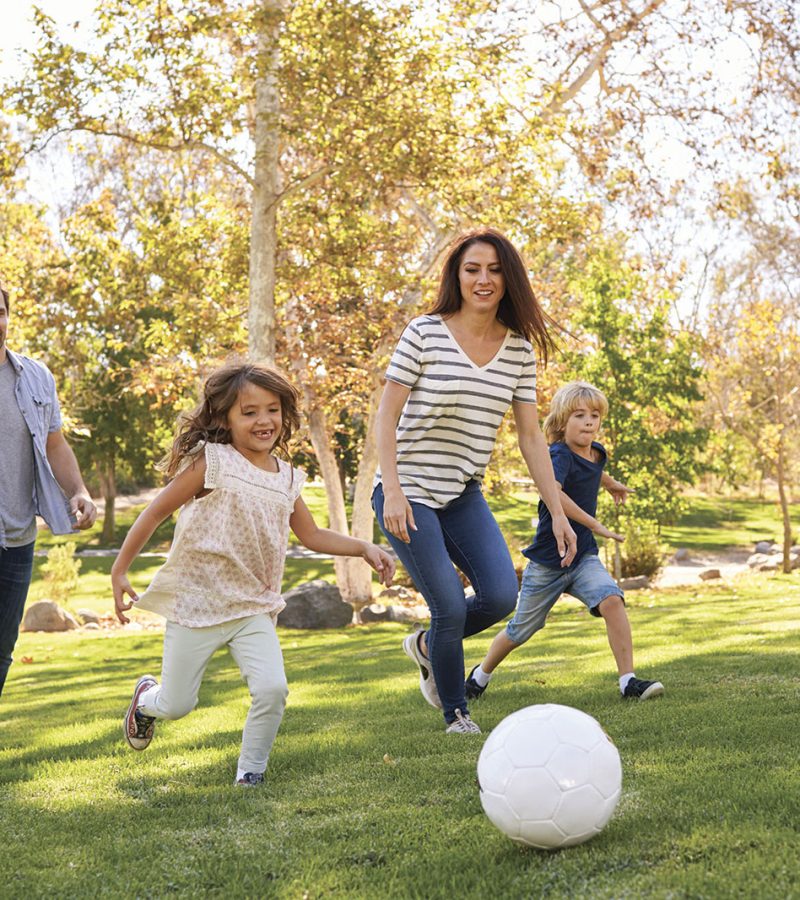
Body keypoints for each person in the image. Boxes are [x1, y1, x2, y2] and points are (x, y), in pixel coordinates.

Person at [112, 363, 395, 786]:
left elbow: (312, 534)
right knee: (176, 705)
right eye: (249, 412)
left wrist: (363, 547)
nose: (264, 421)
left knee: (272, 690)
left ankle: (251, 772)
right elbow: (156, 511)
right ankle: (146, 702)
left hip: (253, 606)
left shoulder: (288, 479)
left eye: (272, 410)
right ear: (225, 417)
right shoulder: (212, 462)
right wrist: (120, 569)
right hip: (199, 603)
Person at [373, 228, 578, 735]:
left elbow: (531, 438)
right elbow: (384, 418)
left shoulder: (518, 352)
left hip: (462, 492)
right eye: (472, 269)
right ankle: (456, 713)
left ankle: (426, 646)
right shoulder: (423, 333)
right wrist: (392, 491)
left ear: (508, 279)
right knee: (446, 604)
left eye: (493, 270)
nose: (483, 279)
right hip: (408, 491)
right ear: (457, 277)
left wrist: (557, 512)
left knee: (501, 595)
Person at [465, 380, 664, 702]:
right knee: (521, 630)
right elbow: (552, 491)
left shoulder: (597, 452)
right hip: (548, 560)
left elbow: (592, 471)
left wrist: (611, 484)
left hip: (582, 556)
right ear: (561, 422)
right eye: (580, 415)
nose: (589, 422)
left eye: (595, 415)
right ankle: (479, 676)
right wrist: (594, 523)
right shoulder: (557, 455)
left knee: (612, 600)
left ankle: (628, 682)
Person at [0, 280, 97, 699]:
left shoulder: (35, 377)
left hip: (17, 537)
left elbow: (55, 443)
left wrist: (79, 490)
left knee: (2, 650)